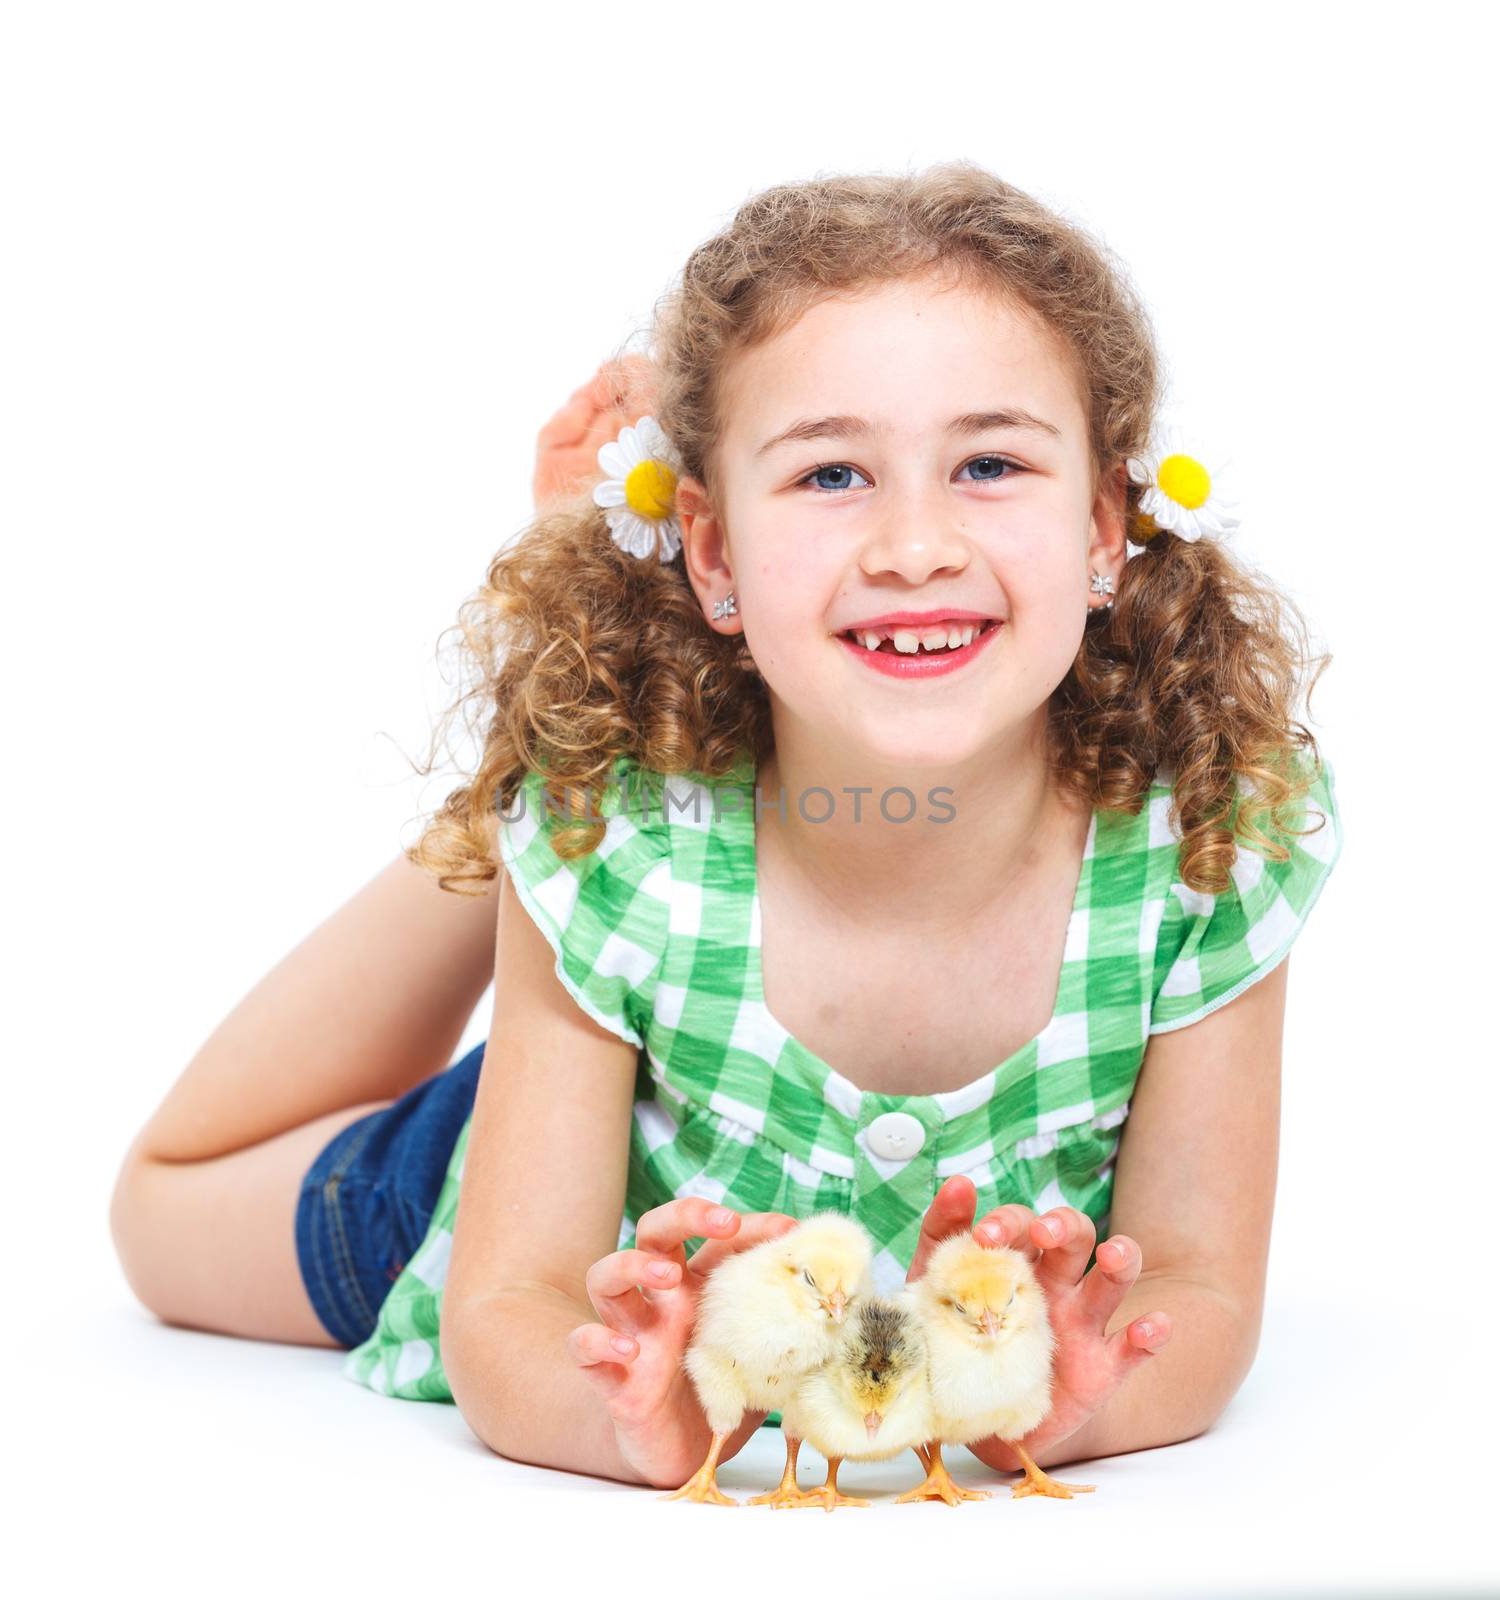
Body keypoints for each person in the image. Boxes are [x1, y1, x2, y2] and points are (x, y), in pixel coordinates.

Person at [109, 161, 1343, 1494]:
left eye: (989, 463)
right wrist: (631, 1420)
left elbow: (1205, 1286)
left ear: (1105, 525)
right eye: (829, 475)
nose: (915, 544)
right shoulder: (623, 851)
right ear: (712, 556)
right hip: (528, 1160)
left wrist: (1064, 1407)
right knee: (161, 1211)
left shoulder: (1214, 838)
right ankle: (557, 726)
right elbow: (509, 1306)